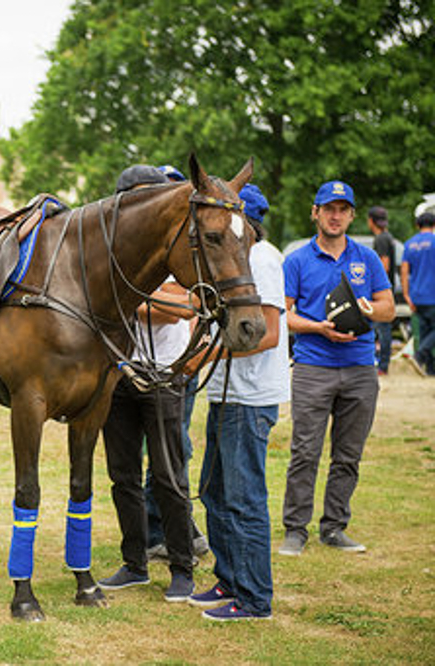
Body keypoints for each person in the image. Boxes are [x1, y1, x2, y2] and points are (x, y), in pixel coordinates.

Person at [187, 184, 289, 621]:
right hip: (228, 392)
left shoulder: (262, 258)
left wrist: (201, 358)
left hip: (250, 398)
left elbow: (266, 333)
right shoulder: (238, 257)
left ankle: (253, 599)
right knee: (214, 492)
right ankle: (229, 579)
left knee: (244, 498)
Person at [278, 180, 395, 556]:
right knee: (305, 451)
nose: (335, 215)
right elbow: (283, 315)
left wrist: (366, 311)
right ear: (315, 212)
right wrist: (318, 328)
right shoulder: (296, 260)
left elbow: (388, 308)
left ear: (352, 215)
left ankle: (334, 527)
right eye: (329, 208)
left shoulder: (367, 258)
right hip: (314, 366)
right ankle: (295, 530)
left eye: (343, 209)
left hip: (361, 367)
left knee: (348, 454)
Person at [99, 164, 196, 602]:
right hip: (119, 372)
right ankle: (134, 564)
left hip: (164, 375)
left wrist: (128, 299)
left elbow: (186, 305)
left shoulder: (171, 248)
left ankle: (182, 567)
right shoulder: (113, 252)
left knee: (167, 476)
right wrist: (142, 300)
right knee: (122, 476)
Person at [145, 165, 209, 562]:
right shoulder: (151, 255)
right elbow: (176, 309)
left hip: (180, 363)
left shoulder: (185, 253)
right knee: (165, 453)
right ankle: (160, 530)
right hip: (148, 367)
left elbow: (192, 304)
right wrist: (176, 304)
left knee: (175, 451)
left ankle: (171, 525)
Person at [401, 211, 435, 376]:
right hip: (432, 294)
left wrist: (407, 295)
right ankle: (419, 355)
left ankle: (431, 369)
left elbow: (404, 271)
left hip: (416, 295)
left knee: (426, 331)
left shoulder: (409, 244)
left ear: (417, 226)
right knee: (431, 333)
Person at [367, 206, 397, 375]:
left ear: (371, 220)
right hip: (389, 286)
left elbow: (383, 265)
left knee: (382, 328)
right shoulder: (389, 237)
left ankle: (383, 366)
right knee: (383, 329)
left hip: (381, 290)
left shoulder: (380, 239)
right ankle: (382, 362)